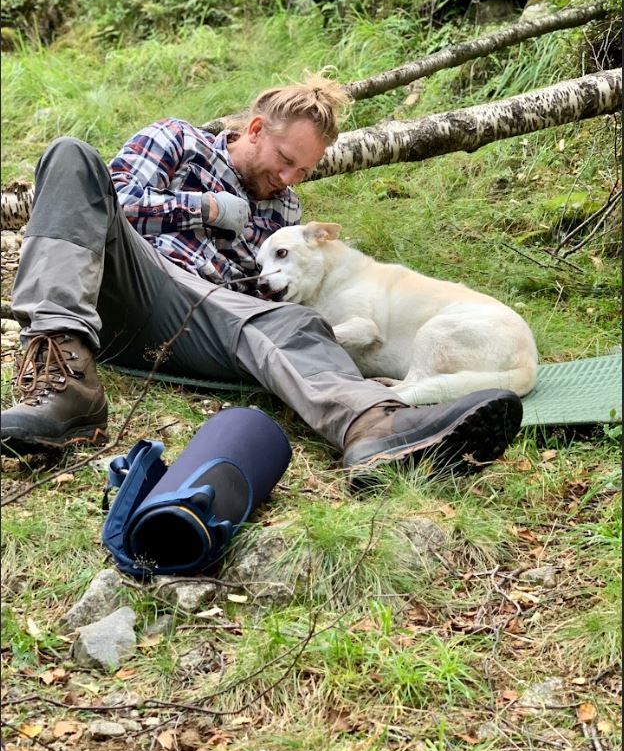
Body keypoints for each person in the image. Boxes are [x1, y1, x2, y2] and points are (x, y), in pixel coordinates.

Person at [0, 74, 523, 488]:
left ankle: (376, 429)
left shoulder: (285, 210)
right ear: (254, 131)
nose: (290, 179)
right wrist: (203, 208)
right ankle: (64, 388)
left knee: (297, 320)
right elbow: (108, 205)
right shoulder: (175, 140)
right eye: (285, 161)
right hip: (134, 286)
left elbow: (273, 292)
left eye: (304, 171)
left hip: (210, 327)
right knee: (71, 155)